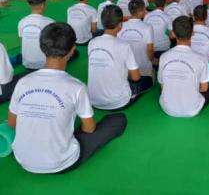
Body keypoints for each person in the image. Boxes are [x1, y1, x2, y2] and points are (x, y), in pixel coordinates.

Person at [8, 23, 126, 174]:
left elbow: (12, 122)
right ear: (72, 50)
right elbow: (89, 128)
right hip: (61, 163)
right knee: (118, 120)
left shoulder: (23, 82)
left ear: (42, 48)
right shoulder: (76, 87)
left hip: (22, 159)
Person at [88, 5, 150, 110]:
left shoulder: (92, 43)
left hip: (93, 100)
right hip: (118, 101)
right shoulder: (124, 46)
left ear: (102, 22)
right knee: (148, 80)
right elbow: (136, 77)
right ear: (120, 25)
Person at [158, 16, 209, 117]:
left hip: (167, 108)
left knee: (168, 85)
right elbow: (204, 89)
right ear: (192, 34)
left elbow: (162, 86)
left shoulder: (164, 57)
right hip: (192, 109)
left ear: (173, 34)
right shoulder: (201, 59)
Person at [118, 0, 154, 86]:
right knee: (153, 77)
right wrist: (151, 61)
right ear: (141, 12)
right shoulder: (147, 27)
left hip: (126, 69)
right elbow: (150, 50)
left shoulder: (121, 26)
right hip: (143, 69)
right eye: (144, 9)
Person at [18, 0, 55, 70]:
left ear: (29, 5)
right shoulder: (50, 22)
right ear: (43, 5)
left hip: (26, 63)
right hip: (44, 65)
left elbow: (22, 42)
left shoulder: (21, 22)